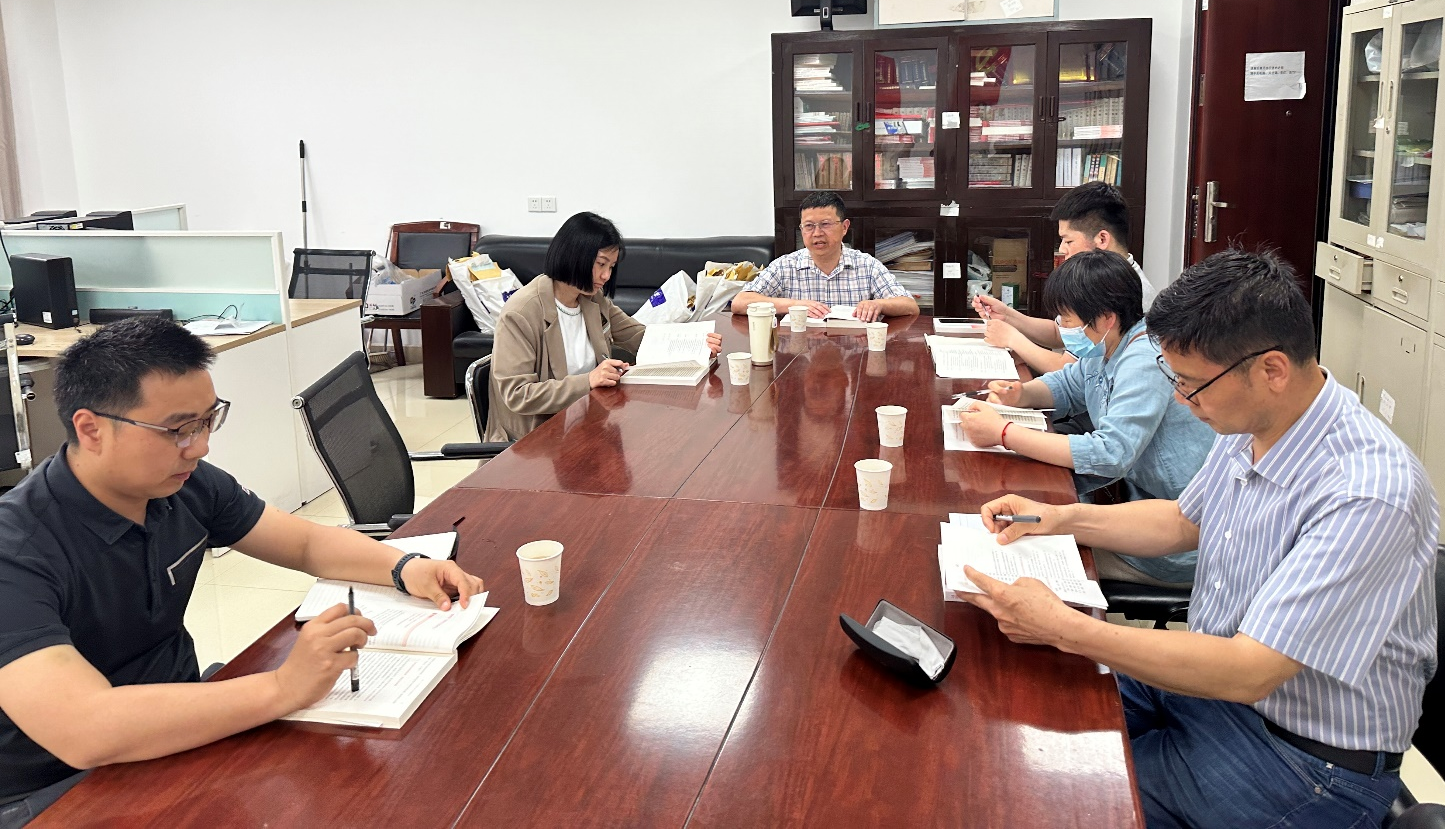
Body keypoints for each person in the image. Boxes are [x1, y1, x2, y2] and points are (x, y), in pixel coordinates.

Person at [960, 249, 1438, 828]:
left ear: (1271, 370)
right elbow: (1182, 522)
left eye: (1190, 384)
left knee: (1057, 802)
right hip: (1217, 696)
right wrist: (1057, 517)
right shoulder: (1254, 422)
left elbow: (1251, 668)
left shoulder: (1367, 492)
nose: (1181, 401)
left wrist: (1067, 627)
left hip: (1302, 758)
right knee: (1012, 710)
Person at [0, 318, 485, 827]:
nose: (200, 446)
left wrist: (405, 566)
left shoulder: (183, 484)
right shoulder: (16, 550)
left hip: (182, 725)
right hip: (58, 786)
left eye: (208, 420)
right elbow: (84, 728)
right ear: (91, 429)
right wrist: (283, 687)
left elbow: (304, 542)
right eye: (178, 430)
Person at [955, 250, 1213, 586]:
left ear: (1106, 318)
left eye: (1068, 319)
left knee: (1022, 553)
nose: (1062, 329)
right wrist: (1021, 394)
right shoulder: (1109, 343)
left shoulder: (1144, 359)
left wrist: (1003, 433)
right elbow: (1069, 385)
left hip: (1172, 541)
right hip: (1140, 507)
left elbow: (1109, 454)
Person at [487, 212, 723, 442]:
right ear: (574, 256)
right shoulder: (521, 314)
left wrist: (697, 345)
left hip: (590, 421)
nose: (606, 275)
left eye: (611, 266)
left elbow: (640, 337)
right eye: (601, 264)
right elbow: (518, 394)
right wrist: (589, 380)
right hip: (540, 440)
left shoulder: (592, 300)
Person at [975, 181, 1157, 375]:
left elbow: (1069, 370)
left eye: (1068, 240)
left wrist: (1013, 339)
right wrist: (1007, 315)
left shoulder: (1128, 292)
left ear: (1102, 239)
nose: (1062, 249)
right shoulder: (1095, 279)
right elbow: (1059, 332)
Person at [731, 191, 919, 323]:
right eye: (809, 226)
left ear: (844, 227)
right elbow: (740, 303)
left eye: (826, 224)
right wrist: (793, 305)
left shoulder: (867, 265)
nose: (817, 233)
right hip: (800, 355)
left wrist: (878, 305)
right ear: (801, 229)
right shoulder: (785, 266)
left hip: (854, 354)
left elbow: (909, 305)